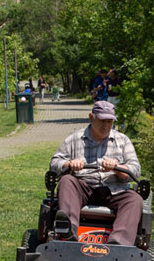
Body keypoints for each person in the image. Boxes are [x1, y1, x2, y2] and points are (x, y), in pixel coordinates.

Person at [49, 100, 142, 246]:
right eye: (102, 121)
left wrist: (117, 167)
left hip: (114, 190)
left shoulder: (123, 141)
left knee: (135, 199)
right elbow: (54, 164)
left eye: (109, 122)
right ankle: (68, 231)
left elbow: (135, 170)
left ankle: (119, 242)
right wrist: (69, 165)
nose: (106, 126)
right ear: (91, 117)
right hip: (83, 187)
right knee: (66, 181)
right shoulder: (74, 139)